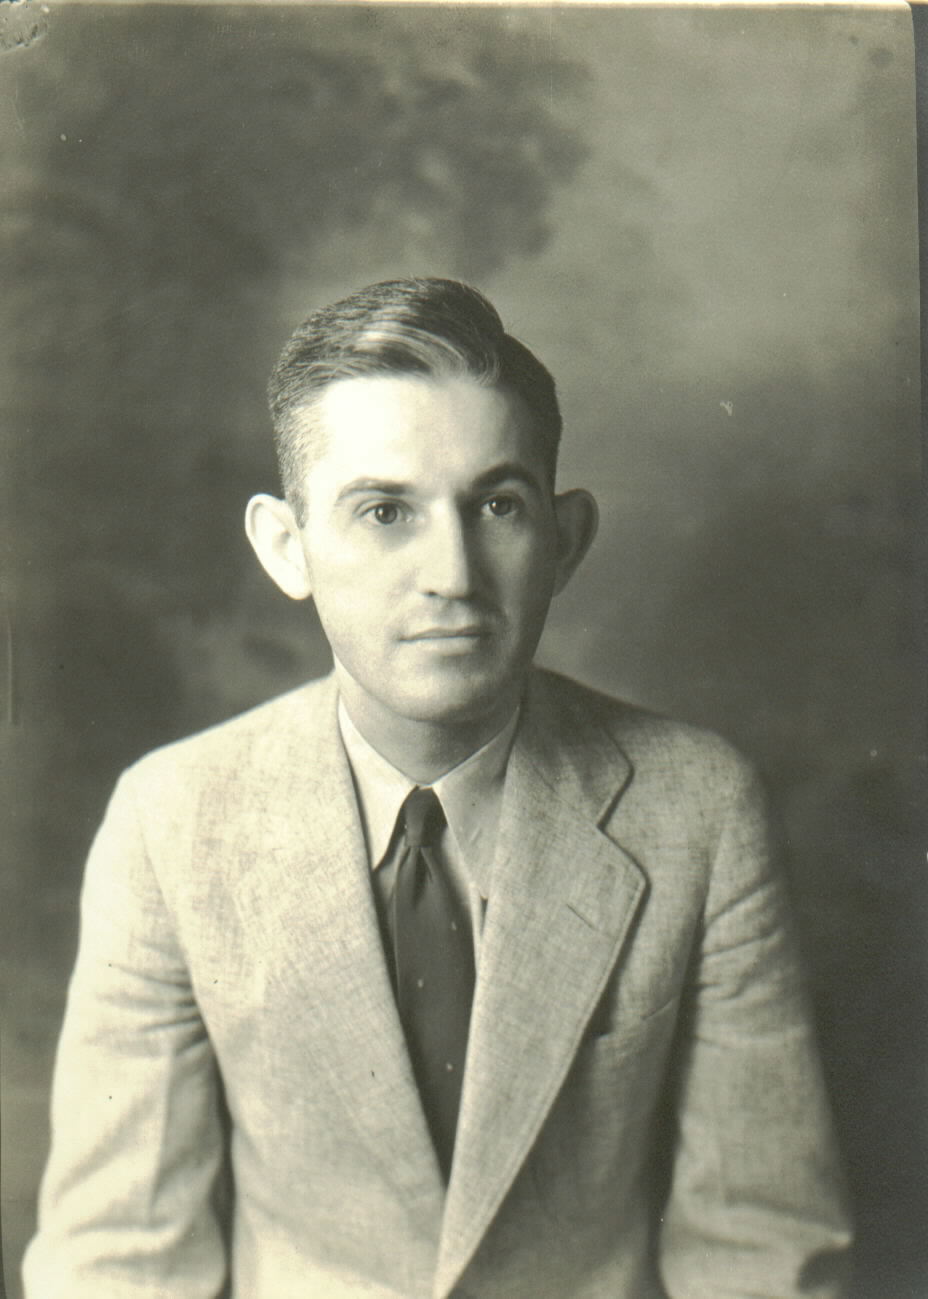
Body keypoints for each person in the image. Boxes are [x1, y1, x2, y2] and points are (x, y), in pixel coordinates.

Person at [23, 278, 852, 1299]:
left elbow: (760, 1252)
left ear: (564, 540)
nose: (452, 574)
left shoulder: (698, 808)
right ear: (286, 547)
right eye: (384, 512)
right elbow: (118, 1261)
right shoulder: (171, 820)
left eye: (498, 505)